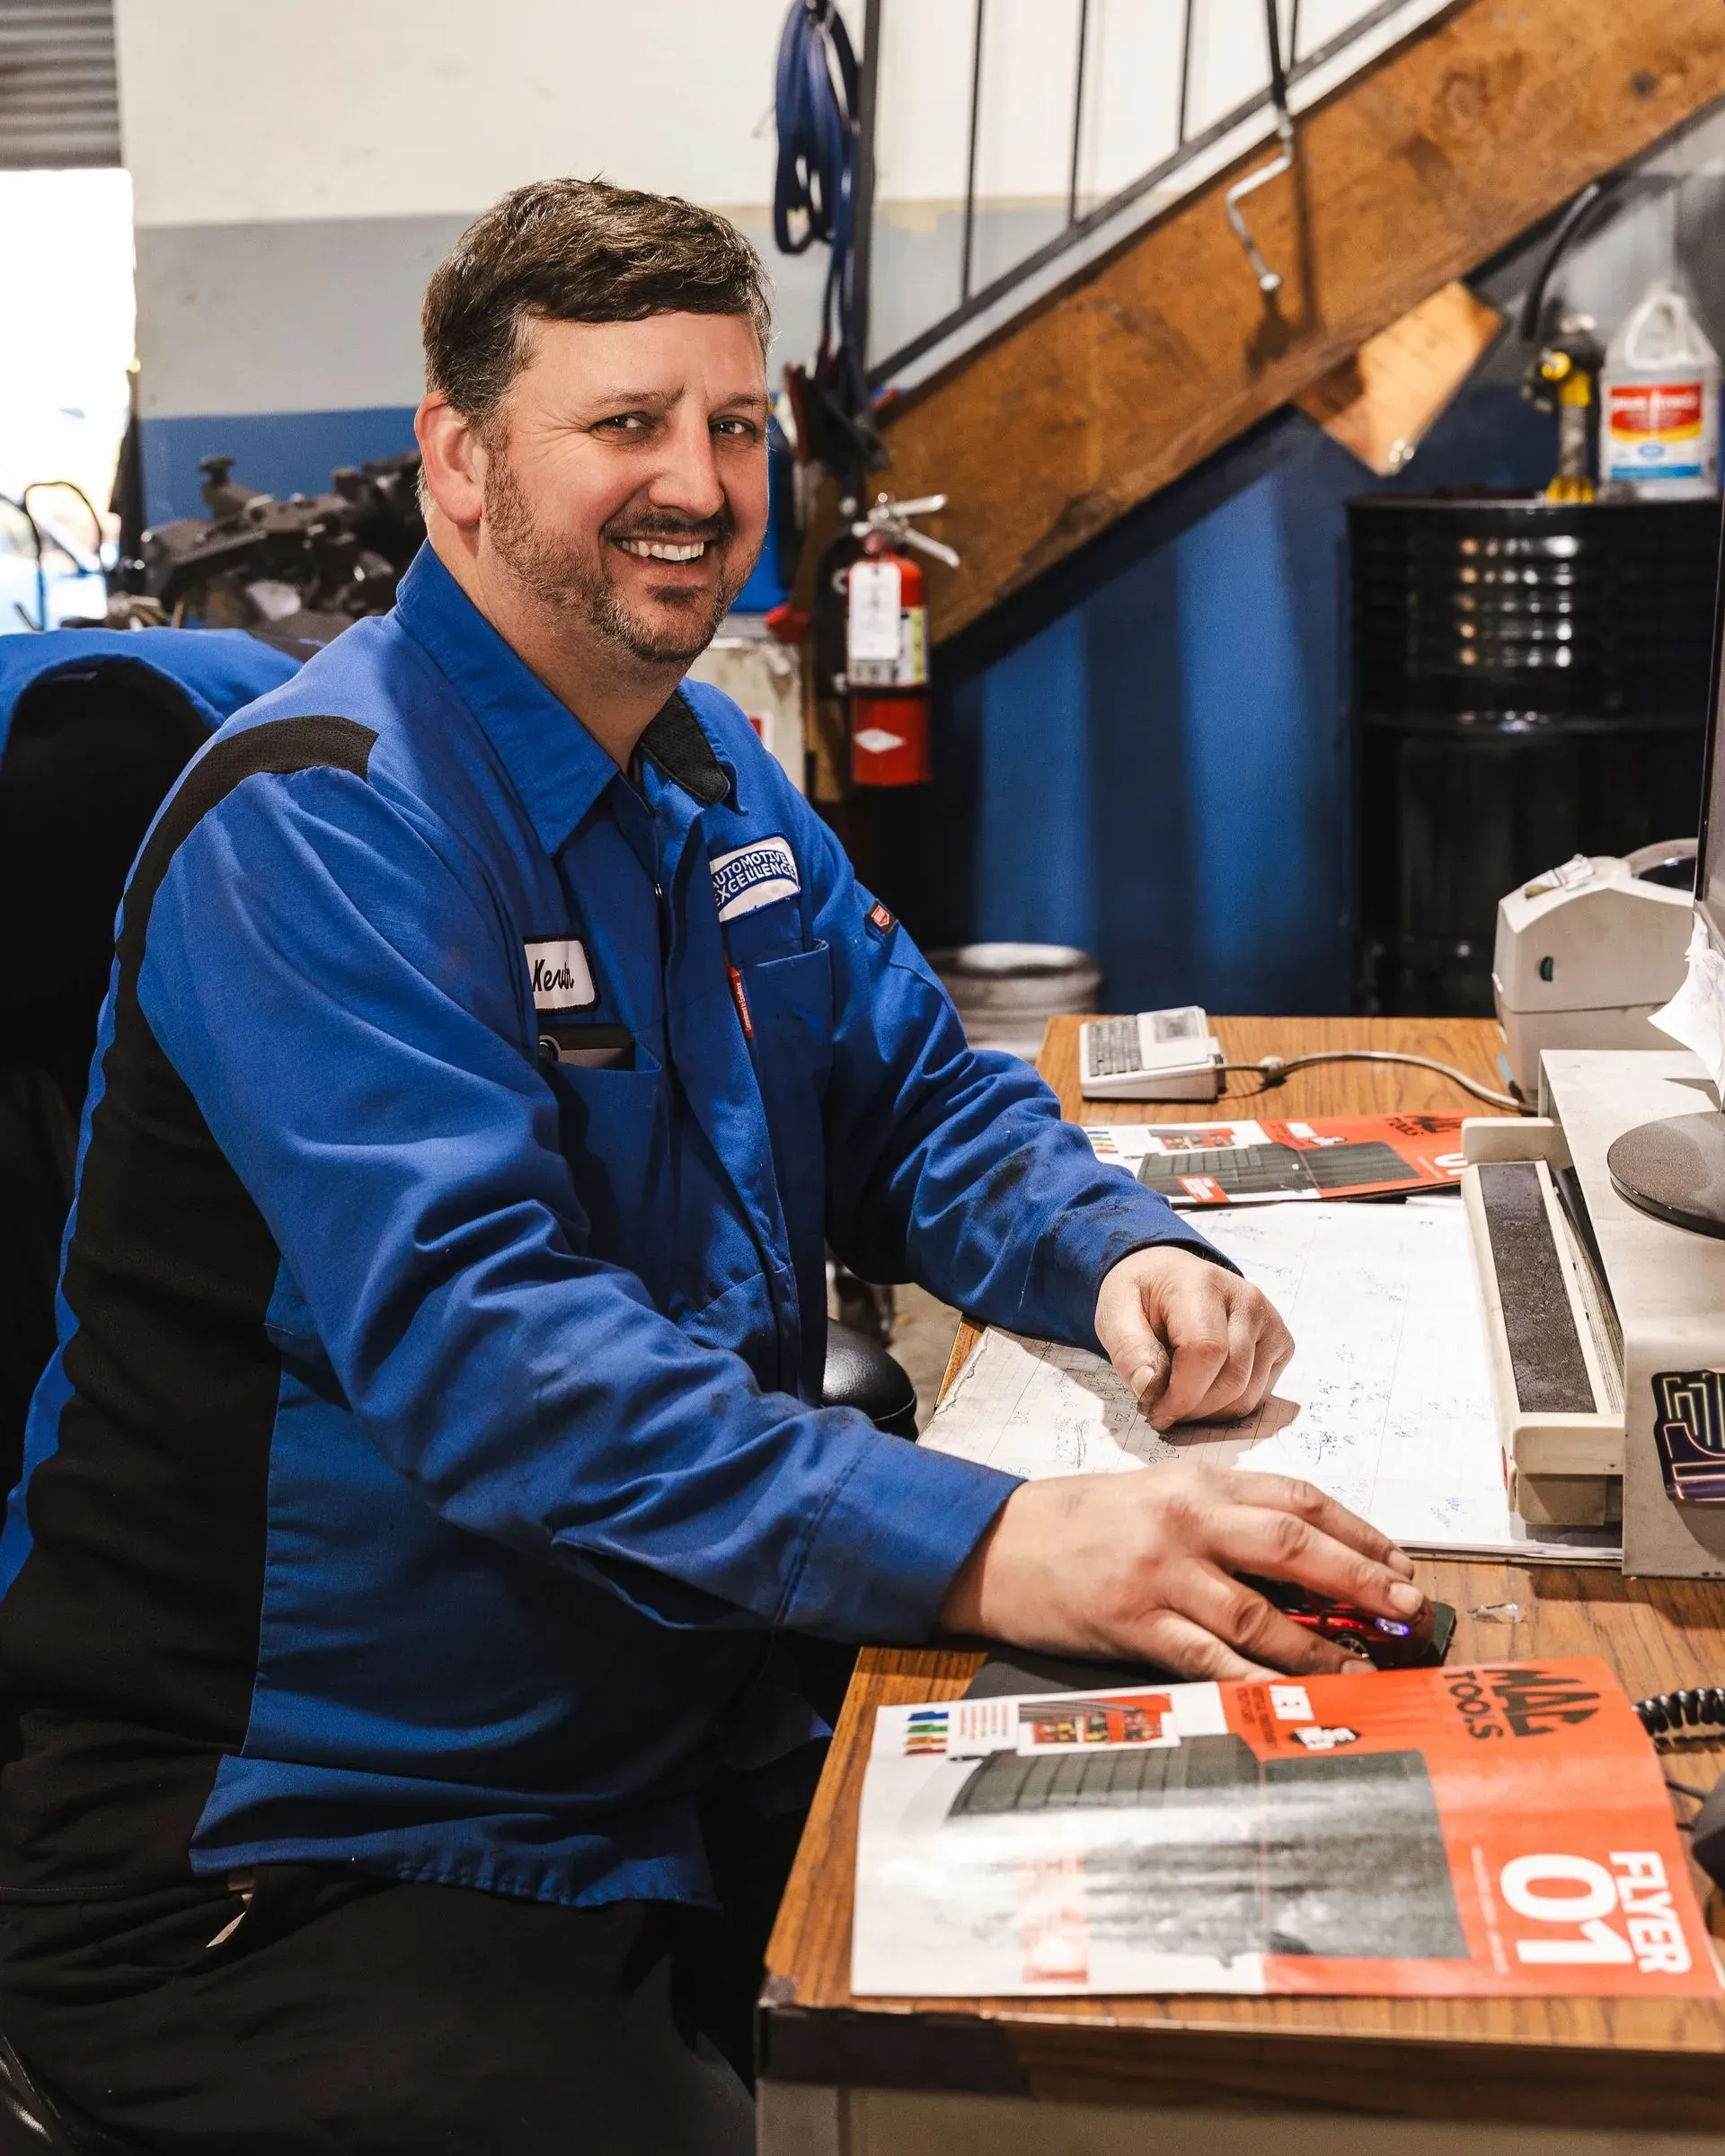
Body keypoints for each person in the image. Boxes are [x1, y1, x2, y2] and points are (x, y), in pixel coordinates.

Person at [0, 180, 1423, 2152]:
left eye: (734, 426)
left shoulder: (704, 770)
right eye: (626, 424)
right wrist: (997, 1537)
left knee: (1196, 1952)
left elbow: (916, 1093)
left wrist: (1113, 1257)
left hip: (651, 1730)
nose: (698, 480)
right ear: (460, 461)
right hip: (296, 1838)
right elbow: (505, 1367)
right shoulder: (319, 828)